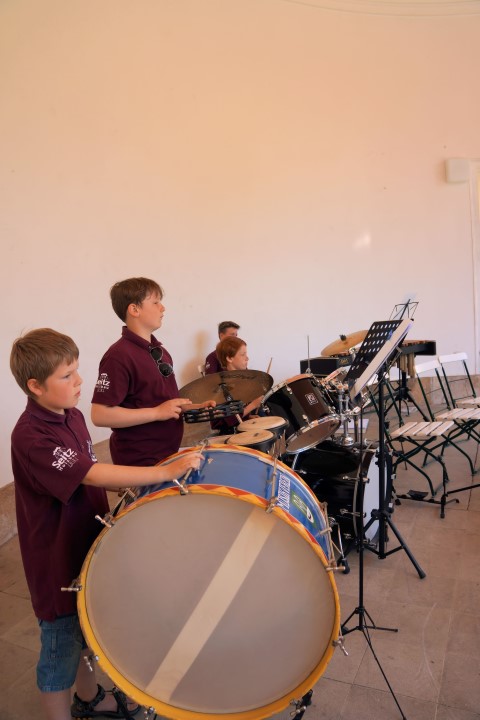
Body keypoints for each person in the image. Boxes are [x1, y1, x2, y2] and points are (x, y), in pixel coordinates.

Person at [10, 328, 203, 720]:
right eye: (67, 375)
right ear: (35, 386)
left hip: (85, 542)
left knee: (85, 631)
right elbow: (91, 474)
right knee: (59, 649)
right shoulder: (31, 436)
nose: (79, 380)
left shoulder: (72, 415)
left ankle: (90, 699)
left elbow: (92, 469)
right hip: (55, 561)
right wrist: (160, 472)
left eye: (76, 370)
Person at [91, 277, 215, 467]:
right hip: (140, 460)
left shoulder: (160, 351)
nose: (163, 308)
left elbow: (158, 402)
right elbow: (99, 415)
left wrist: (193, 407)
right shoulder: (118, 356)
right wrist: (157, 413)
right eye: (156, 302)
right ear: (134, 309)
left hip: (167, 452)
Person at [211, 336, 263, 435]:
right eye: (243, 354)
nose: (247, 358)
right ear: (229, 358)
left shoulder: (241, 380)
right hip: (230, 434)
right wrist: (253, 405)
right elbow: (229, 420)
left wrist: (247, 417)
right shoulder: (222, 386)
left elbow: (239, 413)